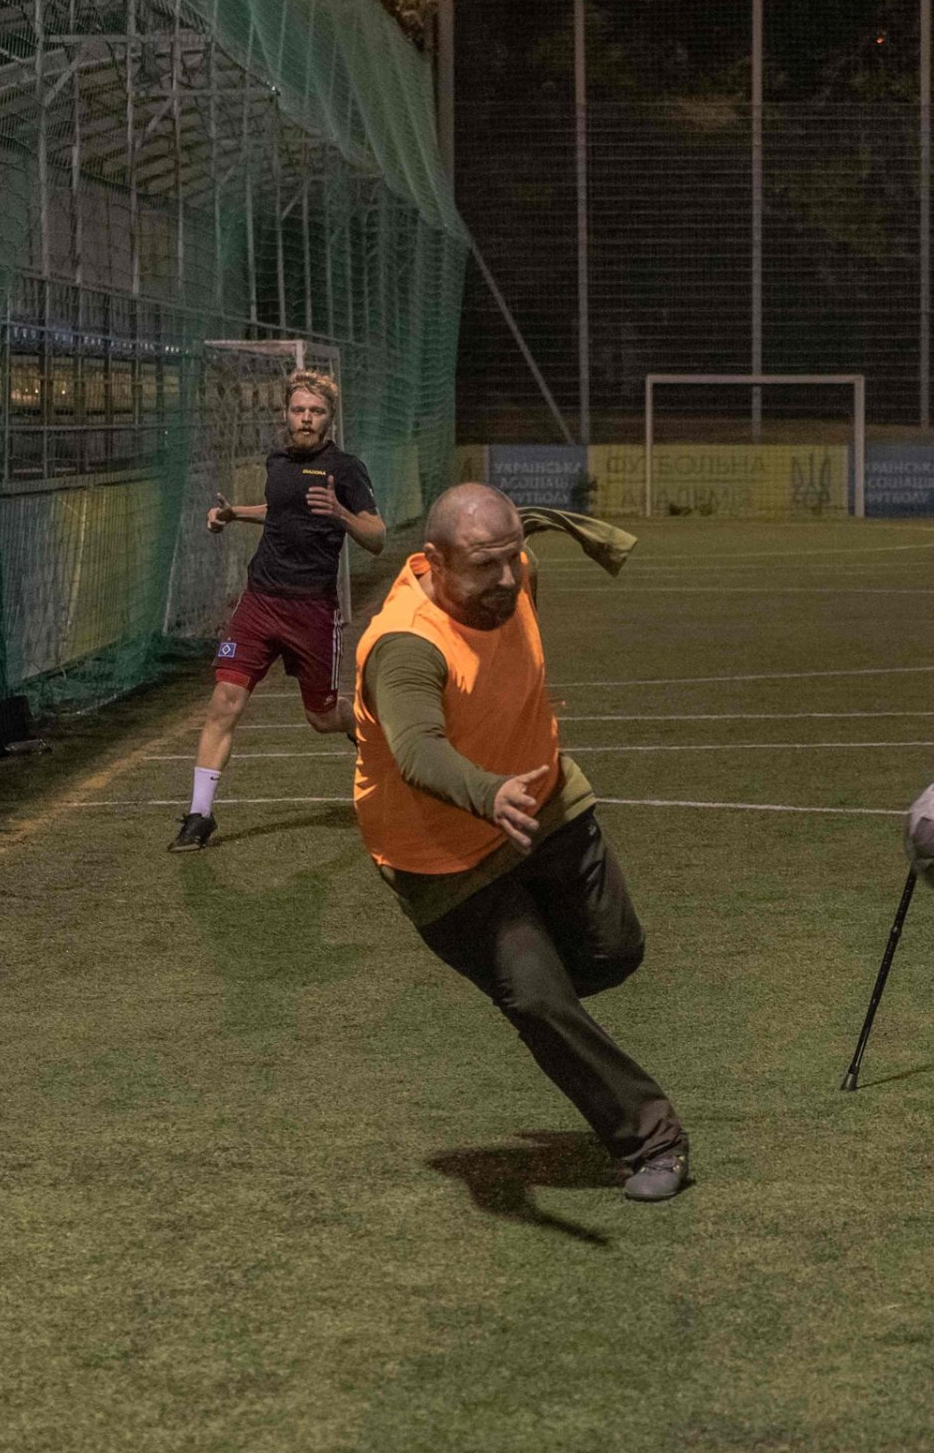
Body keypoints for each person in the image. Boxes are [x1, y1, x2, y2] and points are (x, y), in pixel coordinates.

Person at [352, 484, 690, 1203]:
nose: (506, 579)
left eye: (512, 558)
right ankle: (650, 1136)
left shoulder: (517, 573)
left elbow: (515, 573)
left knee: (615, 951)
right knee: (538, 999)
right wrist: (486, 792)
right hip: (444, 859)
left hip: (545, 802)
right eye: (485, 565)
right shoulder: (405, 645)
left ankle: (541, 981)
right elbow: (416, 750)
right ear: (433, 560)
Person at [171, 371, 384, 852]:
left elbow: (377, 537)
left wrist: (341, 514)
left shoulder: (346, 470)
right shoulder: (278, 461)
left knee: (323, 717)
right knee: (225, 699)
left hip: (312, 609)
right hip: (259, 601)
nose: (306, 419)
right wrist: (233, 514)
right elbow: (281, 509)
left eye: (316, 412)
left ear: (330, 417)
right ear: (286, 414)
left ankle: (373, 737)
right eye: (298, 410)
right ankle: (198, 815)